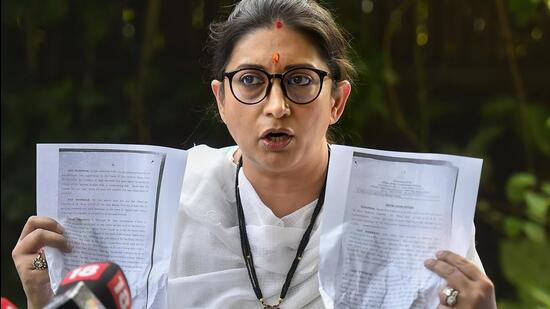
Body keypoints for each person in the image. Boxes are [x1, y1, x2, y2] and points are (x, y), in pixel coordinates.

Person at [12, 0, 497, 308]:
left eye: (301, 81)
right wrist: (43, 298)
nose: (277, 106)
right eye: (250, 81)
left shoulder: (416, 218)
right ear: (221, 101)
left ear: (337, 100)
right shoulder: (169, 203)